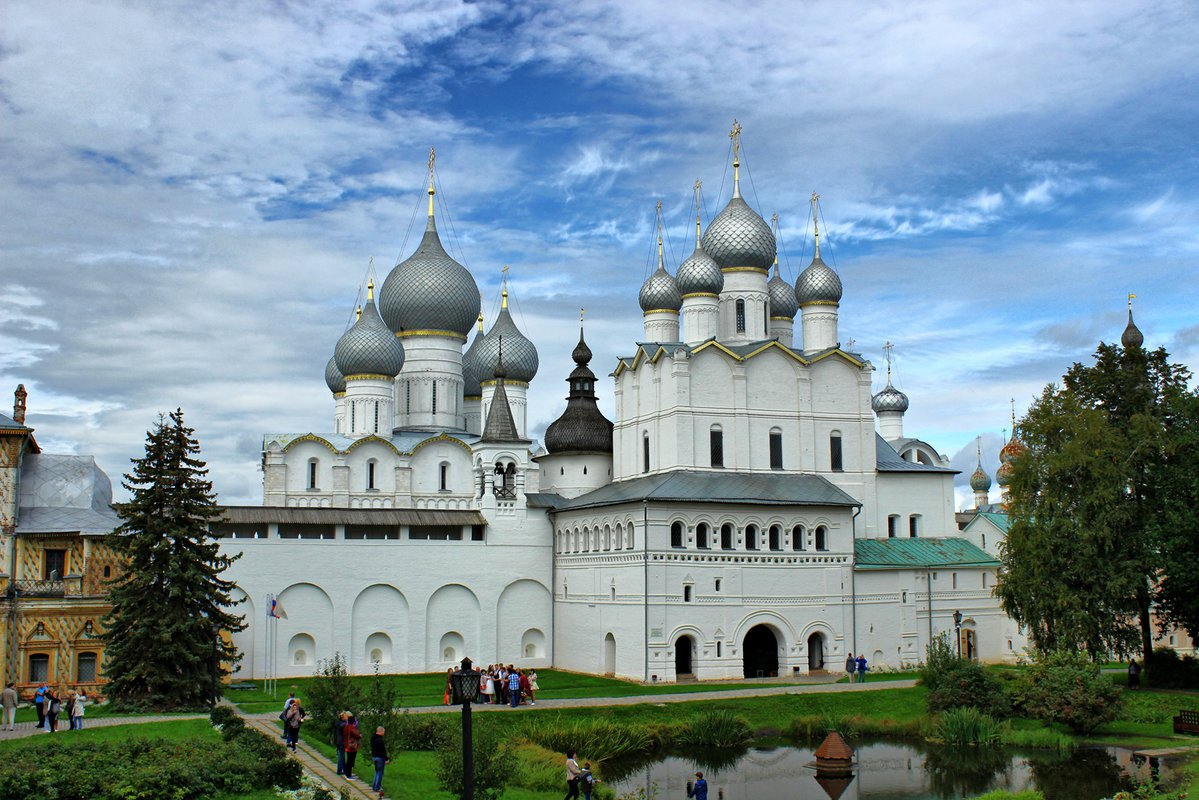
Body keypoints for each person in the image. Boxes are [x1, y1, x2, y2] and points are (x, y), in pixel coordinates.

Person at [370, 726, 389, 796]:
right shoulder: (380, 740)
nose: (384, 733)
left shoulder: (373, 738)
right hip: (380, 758)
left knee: (377, 771)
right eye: (383, 732)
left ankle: (374, 785)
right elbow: (383, 751)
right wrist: (386, 759)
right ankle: (377, 787)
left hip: (374, 756)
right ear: (380, 731)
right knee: (380, 772)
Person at [343, 714, 362, 780]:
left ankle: (347, 773)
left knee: (348, 759)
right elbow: (357, 735)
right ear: (354, 722)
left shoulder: (346, 727)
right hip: (352, 746)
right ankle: (348, 775)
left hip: (346, 745)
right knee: (351, 760)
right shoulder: (352, 728)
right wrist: (360, 735)